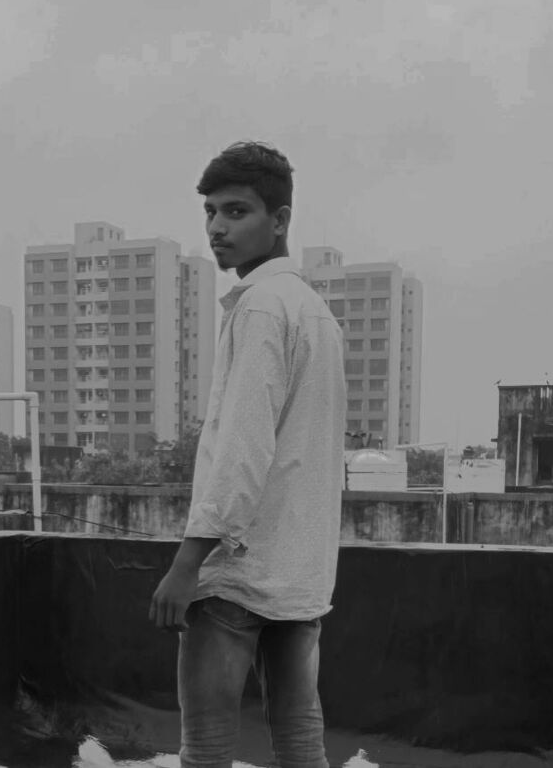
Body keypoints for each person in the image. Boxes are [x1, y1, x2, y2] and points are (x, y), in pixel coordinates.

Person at [149, 141, 347, 768]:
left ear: (279, 220)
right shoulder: (316, 313)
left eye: (236, 212)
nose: (216, 228)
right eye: (210, 212)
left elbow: (242, 448)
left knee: (206, 750)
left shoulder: (261, 306)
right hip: (300, 574)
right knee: (301, 743)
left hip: (237, 570)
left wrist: (187, 564)